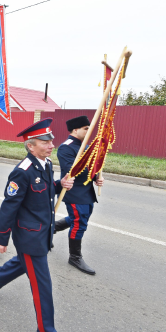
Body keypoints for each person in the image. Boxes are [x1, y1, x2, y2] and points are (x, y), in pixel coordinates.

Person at [0, 118, 75, 332]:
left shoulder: (44, 164)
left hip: (40, 231)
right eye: (45, 141)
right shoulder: (22, 172)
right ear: (31, 146)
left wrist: (60, 183)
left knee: (23, 265)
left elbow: (44, 189)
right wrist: (1, 238)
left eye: (51, 140)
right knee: (43, 286)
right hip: (30, 237)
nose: (51, 144)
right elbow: (9, 206)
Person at [54, 115, 104, 275]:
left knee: (81, 217)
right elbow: (72, 171)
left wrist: (97, 177)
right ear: (75, 130)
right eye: (86, 129)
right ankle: (75, 257)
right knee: (79, 222)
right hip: (74, 191)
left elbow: (93, 166)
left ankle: (51, 228)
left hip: (86, 190)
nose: (89, 132)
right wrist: (92, 173)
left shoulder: (86, 146)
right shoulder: (66, 147)